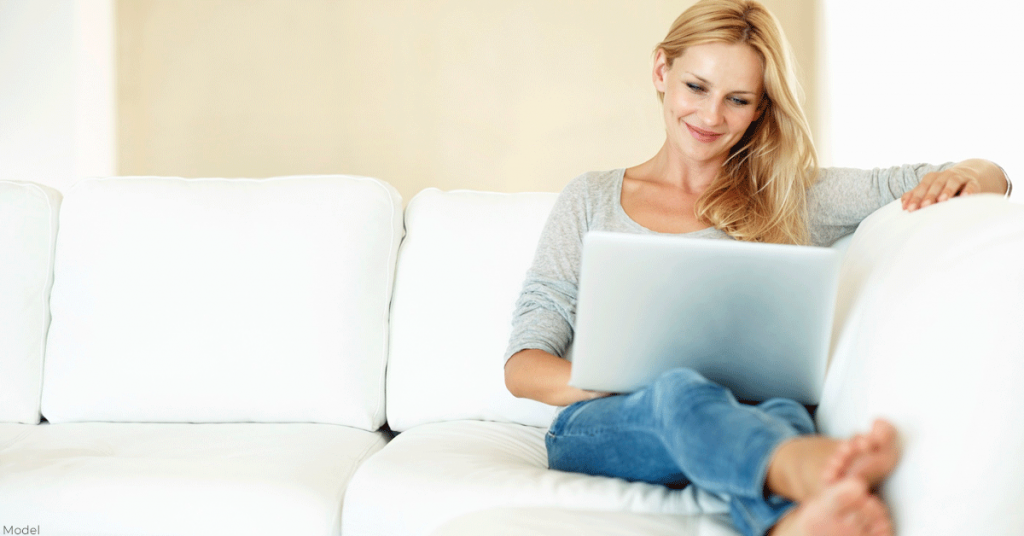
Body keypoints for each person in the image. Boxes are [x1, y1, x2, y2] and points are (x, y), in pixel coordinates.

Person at [502, 1, 1011, 536]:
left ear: (760, 109)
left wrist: (978, 174)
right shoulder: (591, 198)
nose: (710, 116)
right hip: (607, 425)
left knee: (784, 414)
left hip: (749, 416)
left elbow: (971, 175)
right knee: (680, 393)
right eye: (696, 87)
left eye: (737, 100)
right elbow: (523, 366)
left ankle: (790, 522)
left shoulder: (791, 197)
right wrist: (623, 384)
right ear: (661, 71)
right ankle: (805, 468)